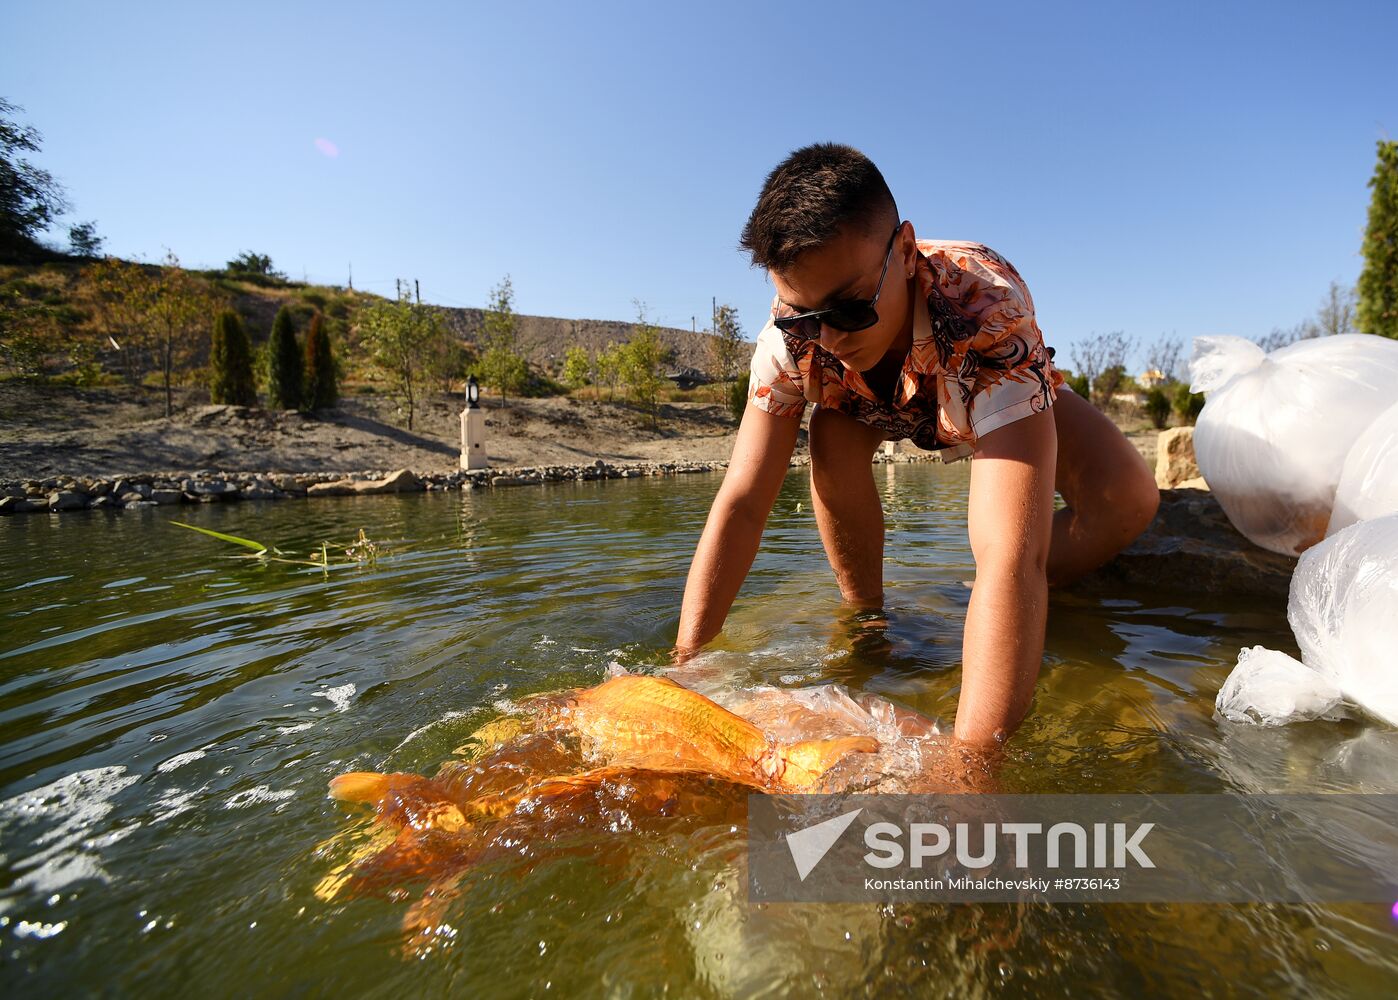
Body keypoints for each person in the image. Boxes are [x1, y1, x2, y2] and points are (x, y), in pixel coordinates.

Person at [673, 143, 1159, 747]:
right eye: (803, 316)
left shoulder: (985, 303)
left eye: (850, 309)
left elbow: (1011, 555)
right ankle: (866, 616)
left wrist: (971, 765)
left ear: (905, 251)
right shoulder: (790, 339)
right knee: (831, 433)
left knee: (1127, 499)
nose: (827, 338)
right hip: (865, 407)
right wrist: (687, 667)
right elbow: (743, 503)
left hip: (975, 383)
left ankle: (977, 600)